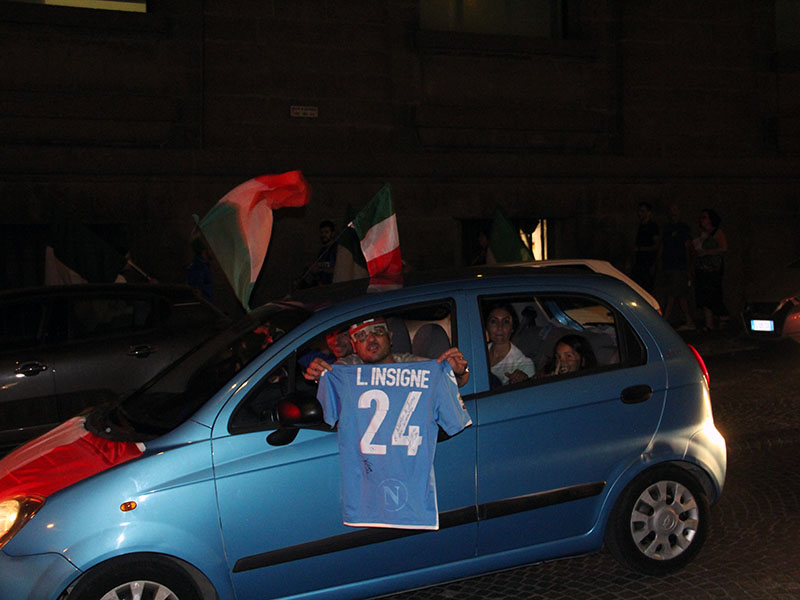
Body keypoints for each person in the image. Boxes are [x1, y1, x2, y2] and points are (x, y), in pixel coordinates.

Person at [304, 317, 470, 388]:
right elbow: (331, 376)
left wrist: (460, 372)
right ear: (354, 347)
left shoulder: (408, 364)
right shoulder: (349, 367)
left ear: (390, 338)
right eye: (361, 336)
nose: (371, 340)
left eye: (377, 331)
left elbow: (454, 380)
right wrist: (321, 377)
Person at [658, 203, 696, 330]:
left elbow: (688, 248)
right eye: (671, 210)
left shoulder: (683, 228)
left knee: (674, 294)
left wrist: (689, 266)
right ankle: (687, 320)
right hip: (668, 266)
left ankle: (665, 321)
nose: (673, 213)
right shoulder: (667, 229)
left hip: (679, 266)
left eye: (675, 210)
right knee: (678, 295)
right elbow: (662, 246)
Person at [693, 208, 728, 331]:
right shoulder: (703, 234)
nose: (702, 220)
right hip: (703, 268)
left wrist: (707, 252)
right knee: (704, 296)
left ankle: (723, 318)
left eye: (705, 217)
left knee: (714, 294)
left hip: (714, 269)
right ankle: (709, 325)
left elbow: (723, 248)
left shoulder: (717, 233)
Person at [484, 302, 535, 385]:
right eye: (494, 321)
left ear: (512, 328)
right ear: (487, 326)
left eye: (506, 322)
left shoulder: (523, 364)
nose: (499, 327)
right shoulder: (478, 351)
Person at [631, 202, 660, 293]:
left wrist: (641, 249)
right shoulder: (640, 227)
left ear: (649, 213)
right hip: (639, 264)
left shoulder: (653, 227)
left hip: (647, 264)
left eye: (642, 211)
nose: (639, 214)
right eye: (639, 211)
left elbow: (656, 245)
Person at [186, 237, 214, 303]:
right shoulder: (198, 268)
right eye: (211, 247)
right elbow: (197, 293)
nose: (213, 251)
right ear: (204, 250)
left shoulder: (203, 266)